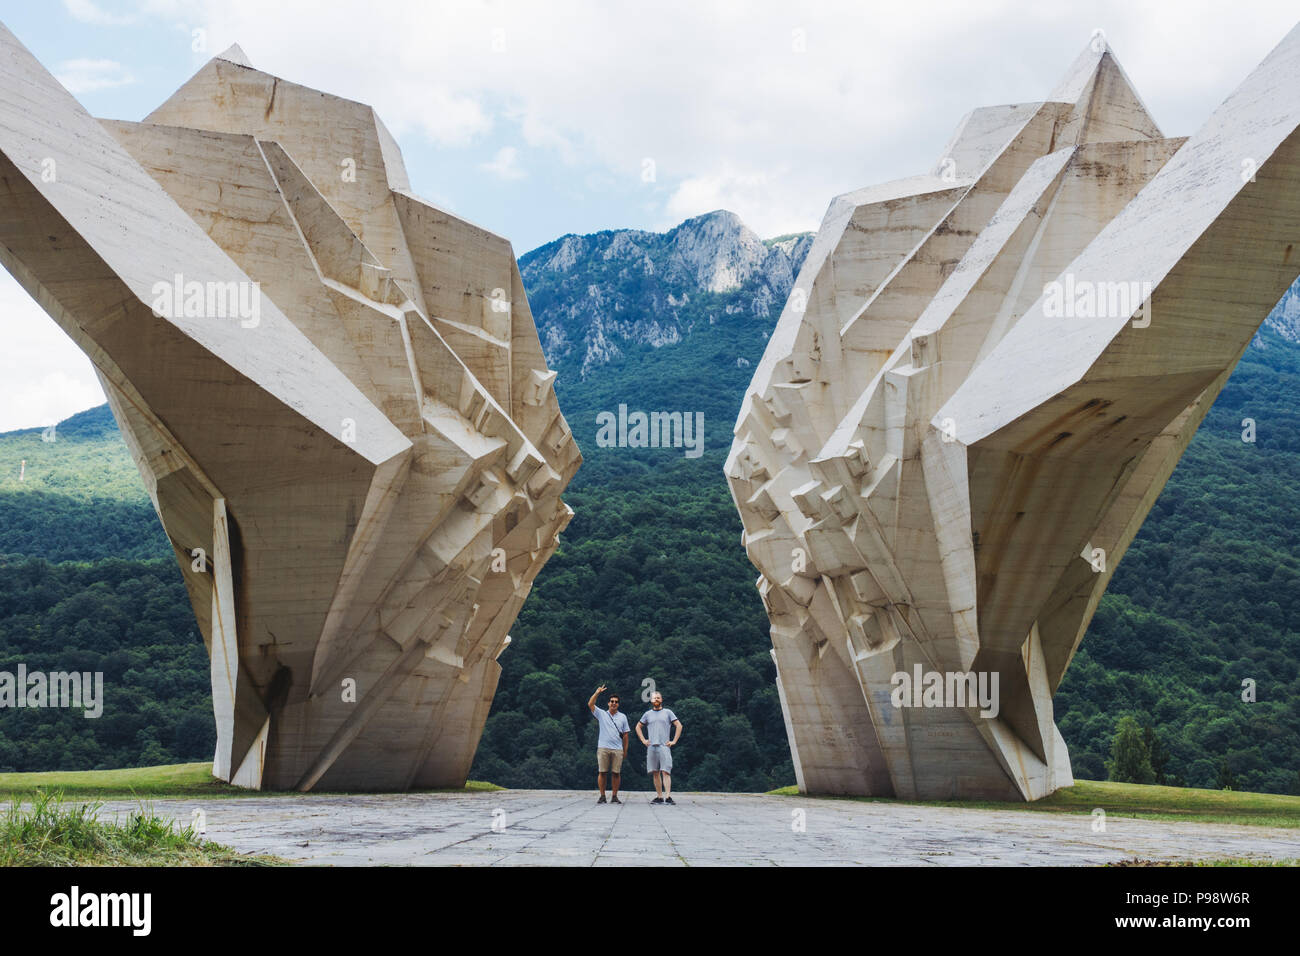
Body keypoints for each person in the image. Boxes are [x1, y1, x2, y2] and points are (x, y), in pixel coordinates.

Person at [636, 691, 682, 804]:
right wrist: (643, 740)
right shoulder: (647, 714)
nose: (656, 699)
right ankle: (659, 796)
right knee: (655, 772)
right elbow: (638, 726)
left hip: (664, 746)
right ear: (651, 701)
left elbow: (679, 725)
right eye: (654, 698)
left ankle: (668, 796)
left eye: (658, 698)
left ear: (661, 700)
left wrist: (674, 741)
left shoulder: (668, 712)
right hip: (651, 746)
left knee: (665, 771)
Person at [587, 684, 629, 804]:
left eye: (616, 702)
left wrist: (625, 750)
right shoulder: (602, 714)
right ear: (608, 703)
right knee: (602, 772)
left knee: (616, 773)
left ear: (618, 704)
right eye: (612, 701)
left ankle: (614, 796)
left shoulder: (623, 717)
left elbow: (626, 735)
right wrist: (597, 693)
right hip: (603, 747)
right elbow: (590, 704)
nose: (614, 703)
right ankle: (602, 795)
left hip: (617, 748)